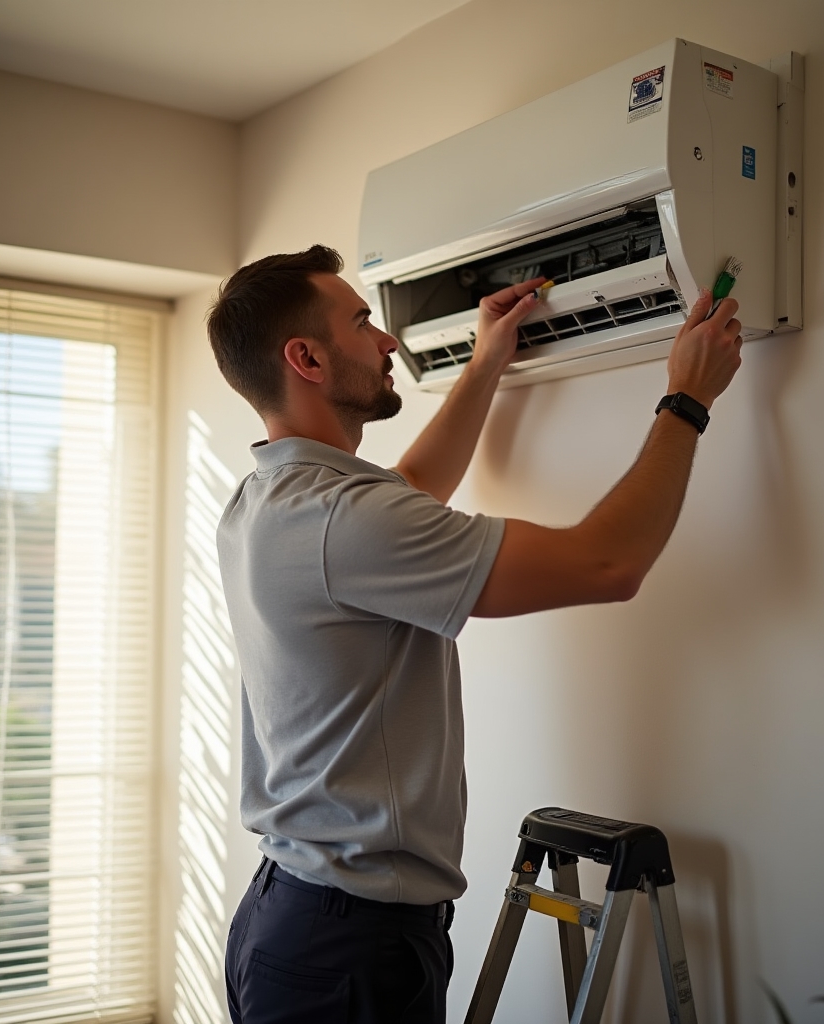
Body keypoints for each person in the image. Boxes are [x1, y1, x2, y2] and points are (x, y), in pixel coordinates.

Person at [208, 244, 742, 1024]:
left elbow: (412, 492)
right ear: (306, 358)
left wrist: (487, 361)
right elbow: (607, 563)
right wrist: (687, 396)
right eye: (363, 322)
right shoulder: (343, 522)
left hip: (289, 918)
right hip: (349, 949)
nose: (388, 340)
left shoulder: (269, 499)